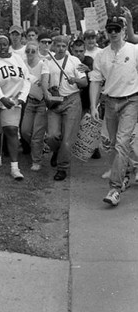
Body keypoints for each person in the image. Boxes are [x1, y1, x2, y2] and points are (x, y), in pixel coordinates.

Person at [89, 16, 138, 206]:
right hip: (110, 103)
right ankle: (125, 174)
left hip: (131, 101)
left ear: (124, 31)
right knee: (114, 144)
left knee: (122, 143)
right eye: (110, 29)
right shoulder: (101, 55)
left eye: (117, 29)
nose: (114, 33)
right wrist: (93, 105)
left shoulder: (134, 50)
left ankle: (115, 189)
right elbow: (95, 81)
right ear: (106, 32)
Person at [41, 35, 87, 181]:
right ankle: (57, 151)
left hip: (72, 101)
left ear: (67, 47)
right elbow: (44, 81)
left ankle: (62, 168)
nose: (60, 49)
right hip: (55, 102)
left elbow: (84, 83)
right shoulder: (47, 61)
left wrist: (76, 79)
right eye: (58, 45)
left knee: (67, 140)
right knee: (51, 136)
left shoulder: (74, 61)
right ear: (53, 46)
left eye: (64, 46)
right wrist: (46, 93)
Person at [0, 34, 30, 180]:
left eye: (5, 44)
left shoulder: (17, 58)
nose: (2, 47)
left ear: (9, 44)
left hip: (13, 100)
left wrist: (22, 98)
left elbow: (27, 79)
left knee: (11, 129)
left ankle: (14, 168)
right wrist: (2, 98)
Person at [20, 41, 47, 171]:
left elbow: (46, 81)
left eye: (33, 51)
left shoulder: (42, 64)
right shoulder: (23, 64)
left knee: (37, 134)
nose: (30, 53)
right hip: (29, 101)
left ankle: (36, 160)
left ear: (37, 52)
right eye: (28, 50)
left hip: (42, 102)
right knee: (24, 131)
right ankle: (39, 147)